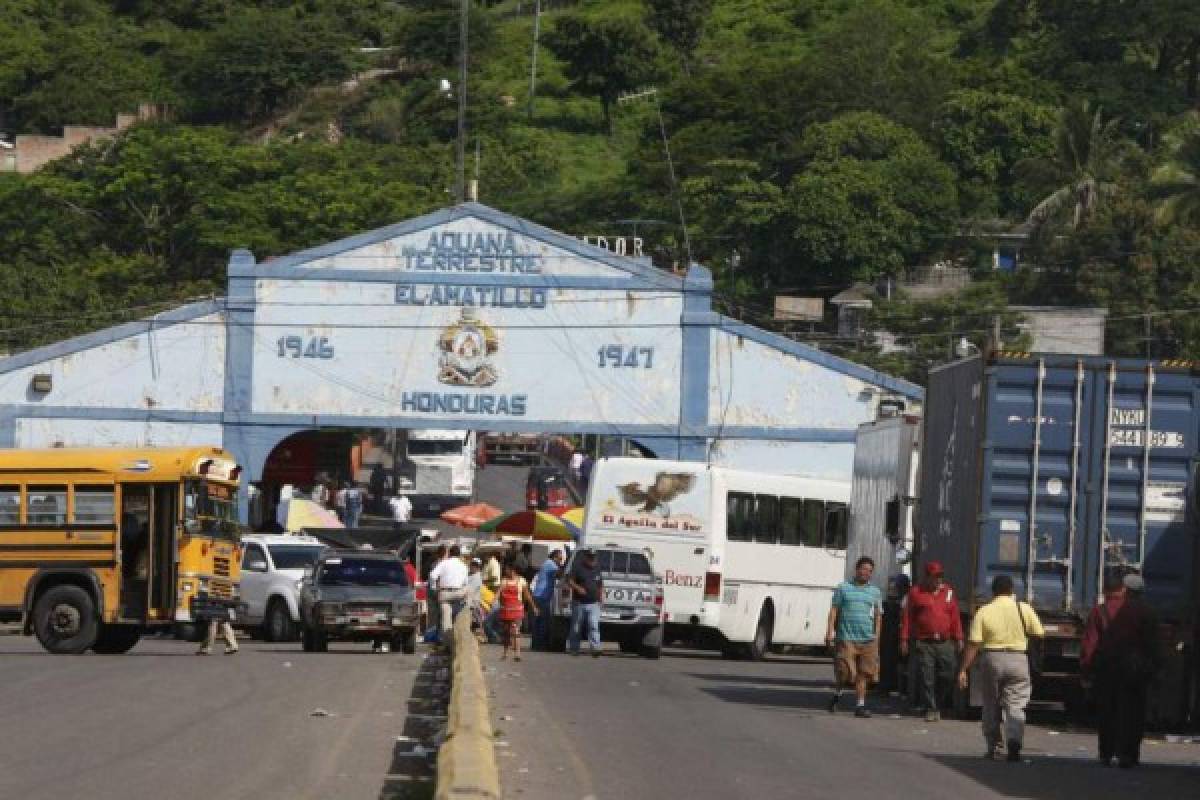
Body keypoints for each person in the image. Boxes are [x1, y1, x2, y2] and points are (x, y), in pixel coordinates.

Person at [957, 574, 1044, 762]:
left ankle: (993, 746)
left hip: (992, 659)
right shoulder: (1024, 609)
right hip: (1018, 659)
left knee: (990, 703)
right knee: (1016, 704)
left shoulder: (984, 611)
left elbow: (974, 643)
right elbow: (1038, 632)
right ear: (1012, 590)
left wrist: (964, 669)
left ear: (993, 592)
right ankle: (1014, 740)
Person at [1081, 571, 1160, 768]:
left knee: (1107, 710)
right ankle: (1129, 754)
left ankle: (1106, 753)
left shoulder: (1100, 611)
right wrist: (1156, 667)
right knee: (1133, 711)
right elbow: (1153, 644)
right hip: (1135, 668)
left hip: (1107, 667)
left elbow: (1090, 644)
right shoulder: (1148, 612)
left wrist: (1086, 670)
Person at [901, 561, 964, 722]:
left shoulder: (948, 592)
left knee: (948, 674)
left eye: (940, 576)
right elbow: (908, 617)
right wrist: (904, 639)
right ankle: (931, 707)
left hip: (945, 642)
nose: (938, 579)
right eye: (935, 576)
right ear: (927, 577)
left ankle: (938, 701)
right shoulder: (916, 593)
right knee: (926, 676)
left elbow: (955, 616)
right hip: (924, 642)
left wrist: (959, 637)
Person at [827, 556, 883, 717]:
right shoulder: (843, 588)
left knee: (864, 673)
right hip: (847, 638)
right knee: (845, 672)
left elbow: (879, 615)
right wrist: (830, 631)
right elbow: (834, 611)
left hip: (868, 639)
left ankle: (860, 706)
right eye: (864, 569)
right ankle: (837, 694)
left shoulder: (875, 592)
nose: (866, 573)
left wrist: (877, 636)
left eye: (870, 571)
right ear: (857, 569)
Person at [497, 562, 538, 661]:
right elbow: (498, 594)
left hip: (517, 610)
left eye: (507, 569)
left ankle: (517, 654)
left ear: (513, 570)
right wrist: (493, 603)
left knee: (516, 631)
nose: (505, 571)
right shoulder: (504, 582)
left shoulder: (522, 581)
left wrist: (534, 607)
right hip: (506, 611)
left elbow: (527, 595)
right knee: (506, 632)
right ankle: (505, 653)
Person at [566, 548, 603, 657]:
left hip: (594, 603)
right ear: (586, 557)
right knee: (576, 627)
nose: (592, 559)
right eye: (590, 557)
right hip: (579, 603)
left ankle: (595, 648)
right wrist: (578, 588)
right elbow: (569, 581)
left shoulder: (597, 568)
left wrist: (601, 597)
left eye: (594, 557)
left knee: (593, 624)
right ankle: (574, 649)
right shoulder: (577, 568)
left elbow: (600, 584)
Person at [430, 545, 469, 640]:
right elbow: (465, 582)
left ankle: (447, 641)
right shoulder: (464, 565)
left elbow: (432, 575)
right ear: (459, 555)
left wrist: (434, 587)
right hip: (459, 593)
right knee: (467, 592)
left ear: (450, 554)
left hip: (445, 593)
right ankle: (462, 613)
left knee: (446, 618)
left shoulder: (444, 563)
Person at [530, 549, 565, 650]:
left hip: (539, 595)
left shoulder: (546, 563)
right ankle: (540, 645)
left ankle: (535, 645)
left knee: (538, 622)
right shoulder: (550, 564)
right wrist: (564, 566)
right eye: (560, 559)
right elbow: (559, 574)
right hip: (542, 597)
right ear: (554, 557)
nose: (560, 561)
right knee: (543, 622)